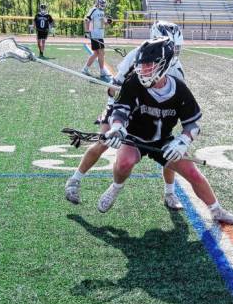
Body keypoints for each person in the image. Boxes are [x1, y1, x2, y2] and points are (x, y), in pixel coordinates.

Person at [95, 37, 233, 225]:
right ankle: (115, 187)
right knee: (124, 162)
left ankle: (216, 210)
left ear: (164, 65)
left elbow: (193, 123)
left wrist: (183, 141)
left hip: (164, 140)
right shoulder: (133, 82)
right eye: (142, 65)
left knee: (193, 173)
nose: (143, 69)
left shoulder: (179, 89)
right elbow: (120, 110)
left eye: (149, 65)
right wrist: (116, 128)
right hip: (134, 137)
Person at [66, 21, 188, 211]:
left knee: (168, 147)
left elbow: (176, 98)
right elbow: (113, 88)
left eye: (176, 46)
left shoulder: (176, 68)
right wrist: (114, 114)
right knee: (104, 141)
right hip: (124, 106)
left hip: (152, 112)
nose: (174, 50)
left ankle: (170, 193)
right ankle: (74, 180)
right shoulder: (137, 55)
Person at [82, 0, 113, 82]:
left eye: (103, 3)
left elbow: (102, 23)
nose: (103, 5)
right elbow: (86, 19)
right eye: (101, 3)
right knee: (101, 52)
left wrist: (108, 22)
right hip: (95, 35)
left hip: (100, 35)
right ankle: (102, 71)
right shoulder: (94, 10)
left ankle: (85, 69)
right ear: (97, 2)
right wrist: (87, 31)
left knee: (96, 53)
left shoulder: (101, 12)